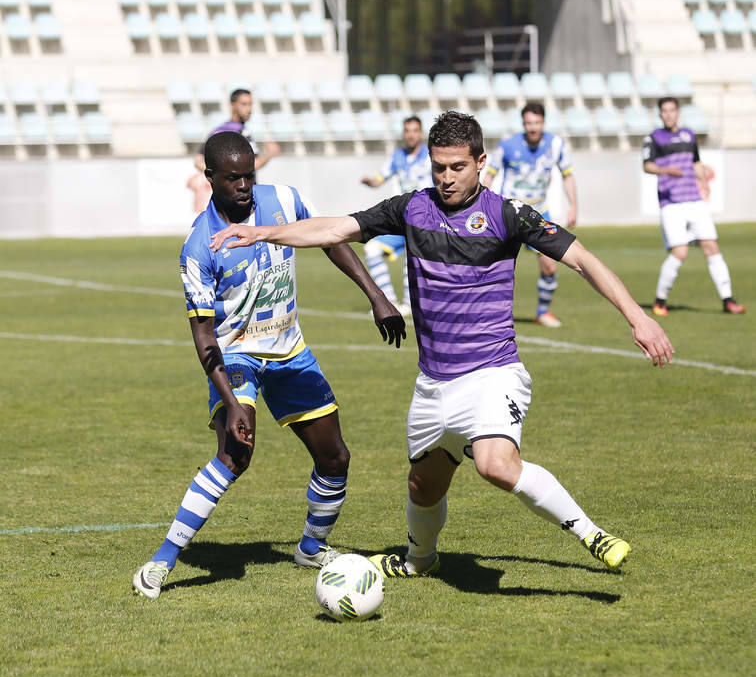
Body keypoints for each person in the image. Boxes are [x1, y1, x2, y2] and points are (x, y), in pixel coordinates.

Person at [209, 111, 675, 581]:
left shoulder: (508, 214)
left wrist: (638, 318)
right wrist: (262, 233)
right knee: (423, 487)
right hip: (434, 384)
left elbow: (582, 260)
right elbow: (336, 229)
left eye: (457, 167)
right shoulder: (412, 208)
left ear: (481, 163)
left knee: (495, 465)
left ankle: (592, 534)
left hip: (493, 372)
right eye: (439, 167)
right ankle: (419, 560)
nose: (447, 178)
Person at [132, 132, 405, 600]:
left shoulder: (282, 199)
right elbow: (203, 336)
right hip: (235, 355)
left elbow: (331, 239)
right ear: (210, 176)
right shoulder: (200, 247)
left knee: (335, 456)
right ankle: (159, 563)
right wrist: (230, 399)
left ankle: (311, 548)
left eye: (249, 175)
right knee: (236, 455)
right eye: (233, 178)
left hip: (291, 350)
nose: (244, 186)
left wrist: (377, 297)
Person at [643, 97, 746, 316]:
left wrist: (703, 182)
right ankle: (660, 301)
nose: (669, 114)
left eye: (672, 110)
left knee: (712, 247)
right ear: (660, 114)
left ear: (678, 112)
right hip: (671, 203)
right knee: (680, 252)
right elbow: (647, 165)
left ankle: (728, 300)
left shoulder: (689, 135)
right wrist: (666, 170)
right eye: (664, 111)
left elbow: (696, 163)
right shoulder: (654, 138)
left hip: (694, 201)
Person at [482, 102, 578, 328]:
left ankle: (542, 312)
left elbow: (568, 176)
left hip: (539, 212)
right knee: (491, 265)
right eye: (528, 123)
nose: (532, 127)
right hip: (508, 212)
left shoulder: (556, 145)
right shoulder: (507, 145)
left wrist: (573, 205)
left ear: (543, 122)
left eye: (536, 123)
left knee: (550, 266)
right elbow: (489, 176)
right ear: (523, 124)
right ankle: (486, 313)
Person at [359, 115, 432, 316]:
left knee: (413, 252)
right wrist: (370, 181)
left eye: (414, 131)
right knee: (372, 249)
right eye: (407, 131)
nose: (410, 135)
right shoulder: (397, 156)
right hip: (402, 218)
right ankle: (388, 301)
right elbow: (380, 178)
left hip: (425, 219)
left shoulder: (431, 156)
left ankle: (409, 304)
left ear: (421, 133)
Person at [194, 88, 281, 182]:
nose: (249, 109)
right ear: (233, 105)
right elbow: (199, 161)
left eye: (250, 104)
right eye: (244, 104)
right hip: (237, 193)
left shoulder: (244, 130)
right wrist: (269, 154)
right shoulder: (226, 131)